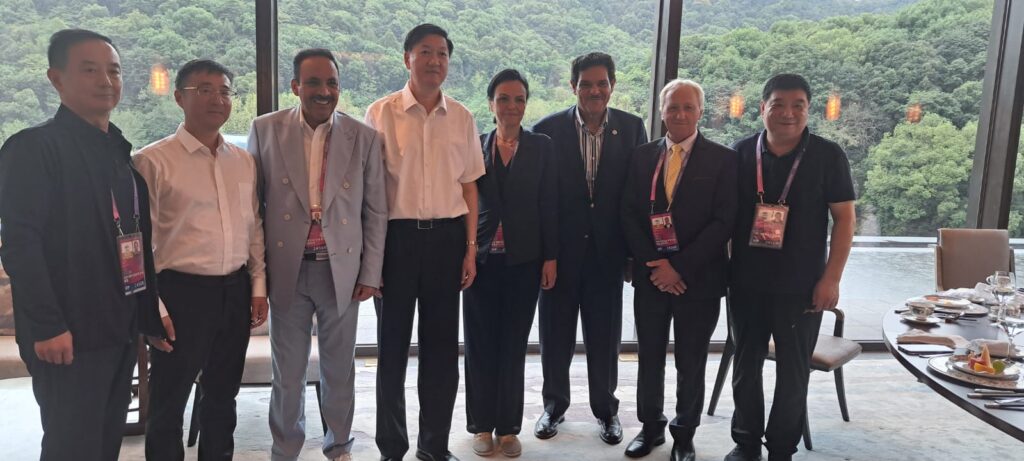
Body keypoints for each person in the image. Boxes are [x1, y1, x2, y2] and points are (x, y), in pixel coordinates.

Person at [0, 28, 161, 460]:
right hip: (68, 331)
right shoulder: (34, 148)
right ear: (57, 79)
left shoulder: (117, 152)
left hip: (118, 325)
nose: (106, 81)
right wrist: (48, 325)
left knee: (106, 440)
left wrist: (146, 317)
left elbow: (134, 241)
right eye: (90, 70)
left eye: (114, 71)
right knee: (72, 444)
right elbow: (20, 245)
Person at [248, 48, 387, 461]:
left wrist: (371, 272)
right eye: (313, 82)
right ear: (295, 86)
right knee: (287, 373)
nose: (323, 91)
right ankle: (285, 449)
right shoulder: (266, 129)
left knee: (339, 369)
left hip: (340, 270)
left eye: (331, 83)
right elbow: (253, 209)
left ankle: (339, 445)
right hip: (287, 269)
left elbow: (376, 211)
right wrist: (258, 278)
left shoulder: (363, 137)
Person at [134, 59, 267, 460]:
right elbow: (137, 244)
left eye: (224, 91)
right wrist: (152, 307)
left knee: (223, 396)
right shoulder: (152, 161)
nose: (217, 99)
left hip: (234, 289)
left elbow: (253, 227)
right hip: (179, 293)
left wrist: (258, 286)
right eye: (204, 90)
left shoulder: (242, 160)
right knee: (169, 400)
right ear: (179, 97)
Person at [364, 23, 484, 461]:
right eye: (425, 52)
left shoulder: (463, 117)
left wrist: (470, 249)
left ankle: (434, 446)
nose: (435, 61)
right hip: (395, 242)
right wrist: (371, 256)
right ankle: (391, 447)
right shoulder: (380, 113)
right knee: (391, 350)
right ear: (407, 58)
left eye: (442, 54)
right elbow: (368, 192)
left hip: (447, 242)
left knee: (441, 353)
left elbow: (469, 188)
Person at [726, 74, 856, 461]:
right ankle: (746, 443)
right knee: (745, 364)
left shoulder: (828, 155)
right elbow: (725, 217)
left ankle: (782, 449)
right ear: (762, 108)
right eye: (778, 104)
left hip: (802, 285)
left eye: (798, 105)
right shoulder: (741, 152)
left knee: (793, 371)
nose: (788, 113)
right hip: (746, 282)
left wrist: (831, 279)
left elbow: (845, 220)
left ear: (808, 109)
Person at [531, 51, 647, 444]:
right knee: (555, 335)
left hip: (607, 254)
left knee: (604, 336)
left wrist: (632, 254)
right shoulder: (547, 129)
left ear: (612, 85)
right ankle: (553, 406)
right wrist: (546, 255)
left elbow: (636, 195)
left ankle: (606, 411)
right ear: (573, 86)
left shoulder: (631, 127)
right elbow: (542, 200)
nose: (594, 91)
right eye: (586, 84)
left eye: (602, 83)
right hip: (560, 255)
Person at [620, 79, 737, 461]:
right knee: (649, 357)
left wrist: (679, 268)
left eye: (688, 107)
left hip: (698, 281)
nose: (680, 114)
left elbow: (724, 222)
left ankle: (684, 434)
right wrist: (656, 266)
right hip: (652, 278)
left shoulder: (723, 159)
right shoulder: (641, 157)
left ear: (700, 111)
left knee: (691, 361)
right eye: (673, 107)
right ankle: (651, 427)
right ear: (661, 111)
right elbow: (628, 214)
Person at [463, 69, 558, 458]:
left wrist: (550, 256)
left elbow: (550, 203)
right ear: (491, 104)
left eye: (519, 99)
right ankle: (481, 426)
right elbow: (465, 202)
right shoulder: (475, 146)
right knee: (479, 344)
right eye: (503, 98)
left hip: (525, 261)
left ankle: (507, 428)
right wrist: (466, 251)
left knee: (513, 344)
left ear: (526, 104)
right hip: (481, 261)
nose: (511, 106)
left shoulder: (542, 147)